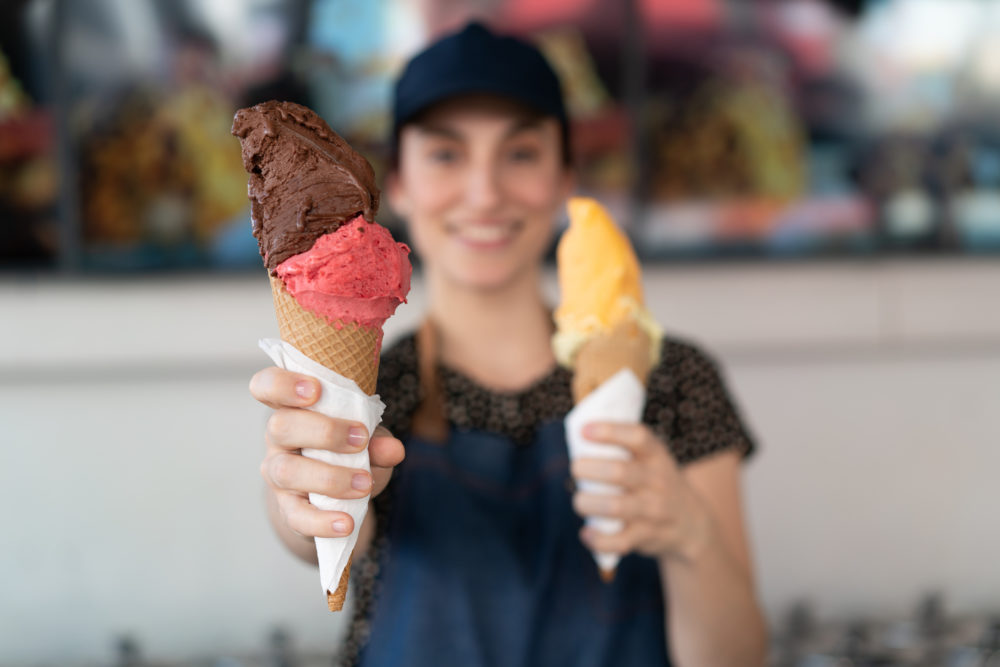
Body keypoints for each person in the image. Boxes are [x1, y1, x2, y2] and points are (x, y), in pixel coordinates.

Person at [249, 21, 767, 667]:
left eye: (520, 154)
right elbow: (324, 539)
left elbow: (739, 656)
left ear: (563, 178)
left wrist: (691, 533)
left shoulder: (674, 379)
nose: (485, 191)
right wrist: (301, 495)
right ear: (400, 183)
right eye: (446, 154)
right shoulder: (380, 388)